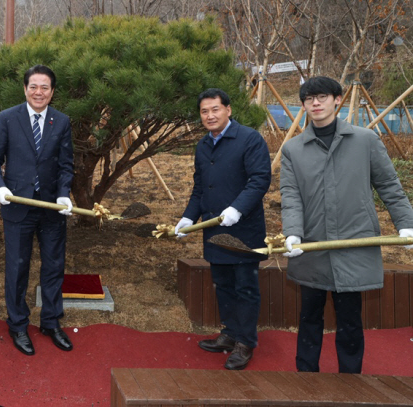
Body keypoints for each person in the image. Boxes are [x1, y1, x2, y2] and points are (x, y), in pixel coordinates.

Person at [280, 76, 413, 373]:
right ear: (303, 105)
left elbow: (389, 185)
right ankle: (306, 379)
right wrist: (293, 233)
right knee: (310, 316)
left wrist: (406, 223)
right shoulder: (293, 150)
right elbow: (291, 197)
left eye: (322, 96)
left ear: (337, 99)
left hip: (354, 244)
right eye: (309, 98)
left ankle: (351, 381)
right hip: (313, 246)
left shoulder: (365, 140)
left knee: (350, 319)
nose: (316, 103)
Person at [174, 88, 271, 370]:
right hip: (215, 229)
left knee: (245, 287)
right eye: (204, 111)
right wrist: (188, 218)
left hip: (244, 230)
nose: (210, 115)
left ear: (228, 110)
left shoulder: (249, 139)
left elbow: (259, 180)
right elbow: (200, 187)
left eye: (215, 109)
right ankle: (229, 333)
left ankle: (245, 342)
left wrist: (237, 208)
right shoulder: (203, 145)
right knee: (223, 285)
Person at [0, 64, 75, 356]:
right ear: (25, 89)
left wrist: (63, 195)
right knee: (17, 266)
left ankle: (50, 321)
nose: (39, 92)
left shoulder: (61, 122)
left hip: (50, 208)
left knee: (53, 266)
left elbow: (65, 165)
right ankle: (18, 324)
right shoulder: (8, 118)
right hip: (17, 206)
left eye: (44, 87)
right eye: (33, 87)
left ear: (52, 92)